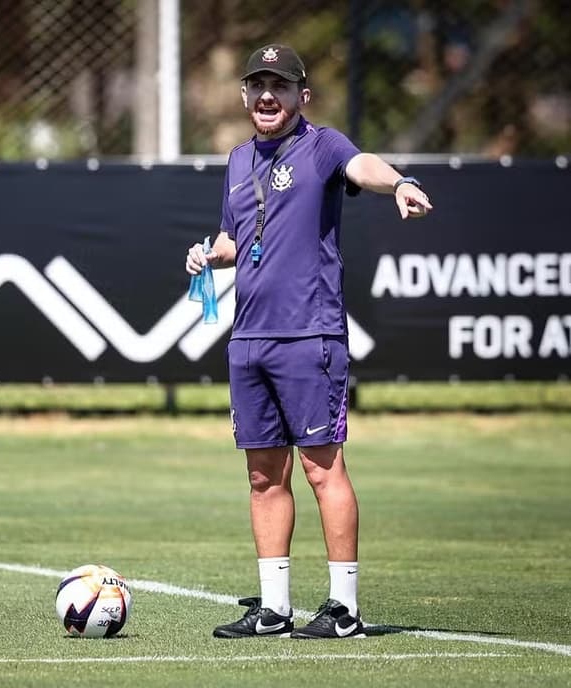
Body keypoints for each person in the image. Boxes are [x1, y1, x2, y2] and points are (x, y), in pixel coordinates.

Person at [185, 43, 432, 640]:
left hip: (309, 334)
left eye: (280, 86)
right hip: (249, 337)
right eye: (258, 85)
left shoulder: (322, 146)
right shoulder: (238, 159)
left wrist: (399, 182)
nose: (268, 95)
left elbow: (363, 165)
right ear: (244, 95)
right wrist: (210, 255)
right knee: (263, 476)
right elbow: (235, 238)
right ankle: (274, 610)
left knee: (323, 469)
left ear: (303, 95)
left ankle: (344, 609)